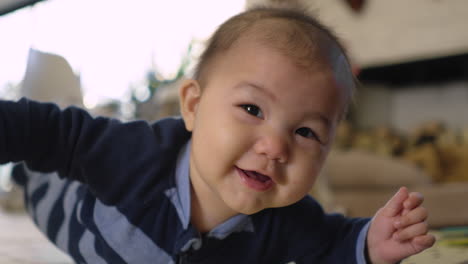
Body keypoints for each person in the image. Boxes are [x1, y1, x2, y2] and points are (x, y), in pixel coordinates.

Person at [0, 6, 434, 264]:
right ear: (193, 106)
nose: (276, 147)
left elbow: (334, 245)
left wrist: (373, 243)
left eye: (305, 131)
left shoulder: (286, 218)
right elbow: (50, 133)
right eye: (251, 109)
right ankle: (55, 96)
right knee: (44, 154)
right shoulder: (135, 154)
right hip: (62, 196)